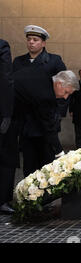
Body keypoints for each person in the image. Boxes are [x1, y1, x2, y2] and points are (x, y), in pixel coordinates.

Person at [13, 70, 79, 178]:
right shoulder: (45, 94)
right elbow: (48, 126)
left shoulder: (46, 83)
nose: (65, 97)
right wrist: (60, 153)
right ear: (59, 84)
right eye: (66, 92)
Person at [12, 25, 68, 132]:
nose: (31, 42)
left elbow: (65, 88)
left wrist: (58, 114)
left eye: (35, 40)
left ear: (43, 43)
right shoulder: (18, 62)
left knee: (49, 148)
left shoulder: (54, 61)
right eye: (29, 39)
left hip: (46, 120)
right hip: (23, 120)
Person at [0, 39, 15, 214]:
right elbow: (5, 79)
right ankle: (2, 200)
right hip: (1, 113)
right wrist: (7, 114)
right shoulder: (2, 45)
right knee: (6, 157)